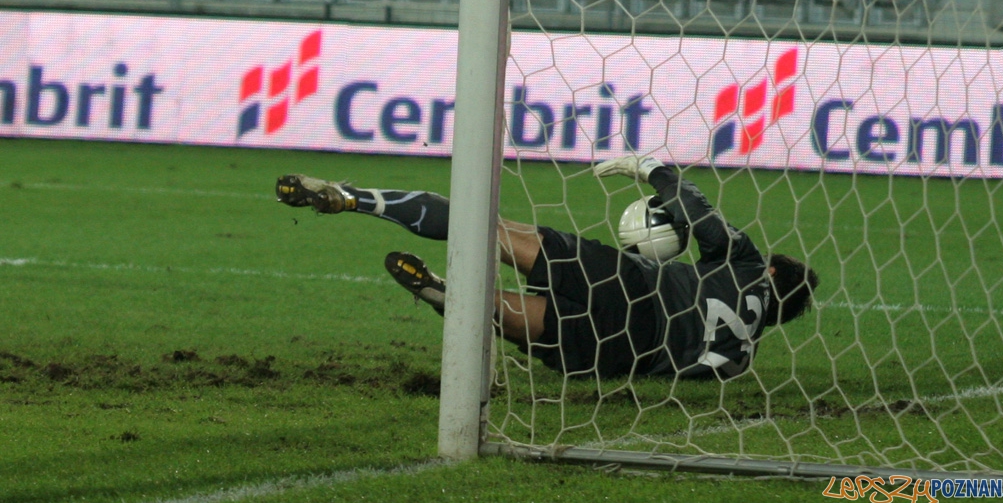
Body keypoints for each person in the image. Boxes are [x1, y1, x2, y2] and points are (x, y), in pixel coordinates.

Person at [275, 156, 818, 380]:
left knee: (488, 227)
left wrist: (653, 168)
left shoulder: (747, 262)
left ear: (772, 273)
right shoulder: (740, 362)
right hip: (622, 355)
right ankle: (451, 297)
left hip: (631, 286)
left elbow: (696, 214)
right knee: (529, 322)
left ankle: (355, 198)